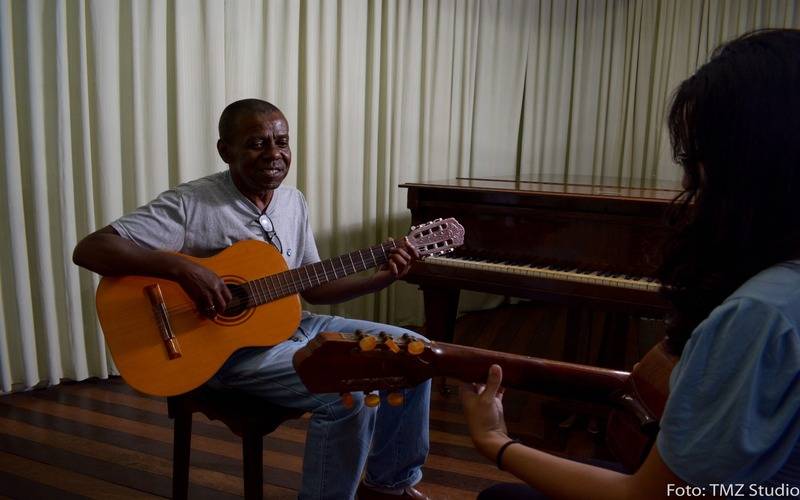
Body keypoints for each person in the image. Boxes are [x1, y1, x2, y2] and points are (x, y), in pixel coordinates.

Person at [460, 29, 800, 499]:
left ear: (753, 165)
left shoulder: (761, 315)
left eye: (698, 156)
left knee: (500, 497)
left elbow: (650, 496)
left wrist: (495, 441)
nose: (685, 178)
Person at [73, 99, 431, 500]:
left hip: (293, 324)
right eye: (258, 143)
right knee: (347, 395)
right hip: (223, 353)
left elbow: (311, 287)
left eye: (282, 142)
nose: (274, 154)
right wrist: (182, 269)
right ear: (226, 151)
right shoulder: (190, 203)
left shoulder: (294, 202)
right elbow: (91, 249)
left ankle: (389, 485)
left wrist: (378, 281)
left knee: (415, 352)